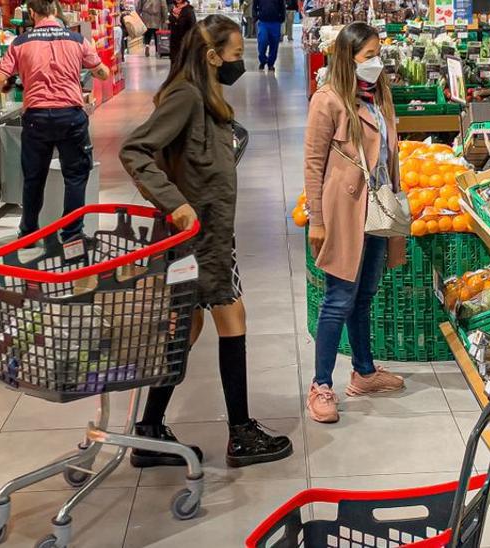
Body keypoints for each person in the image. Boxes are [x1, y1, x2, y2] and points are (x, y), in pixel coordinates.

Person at [120, 14, 294, 469]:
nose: (241, 63)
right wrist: (175, 202)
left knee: (189, 326)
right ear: (212, 56)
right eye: (235, 55)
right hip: (196, 235)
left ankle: (150, 430)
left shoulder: (206, 94)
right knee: (227, 316)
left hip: (213, 232)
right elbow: (135, 149)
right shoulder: (186, 95)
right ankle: (239, 432)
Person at [303, 22, 408, 424]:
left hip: (378, 207)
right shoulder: (327, 100)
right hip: (344, 211)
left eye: (378, 55)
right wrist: (316, 218)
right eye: (369, 57)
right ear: (348, 59)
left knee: (364, 296)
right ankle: (321, 385)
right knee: (338, 298)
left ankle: (364, 372)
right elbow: (313, 164)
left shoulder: (380, 95)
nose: (376, 63)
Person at [0, 0, 110, 243]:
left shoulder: (21, 42)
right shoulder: (77, 39)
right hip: (71, 116)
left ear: (32, 13)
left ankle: (29, 233)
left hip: (36, 118)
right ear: (55, 10)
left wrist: (10, 84)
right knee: (76, 175)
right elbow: (102, 72)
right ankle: (72, 235)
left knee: (34, 177)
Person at [253, 0, 285, 71]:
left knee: (274, 44)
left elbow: (282, 6)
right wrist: (255, 16)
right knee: (262, 41)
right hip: (263, 22)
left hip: (275, 22)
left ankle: (271, 63)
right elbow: (254, 6)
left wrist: (282, 18)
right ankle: (263, 60)